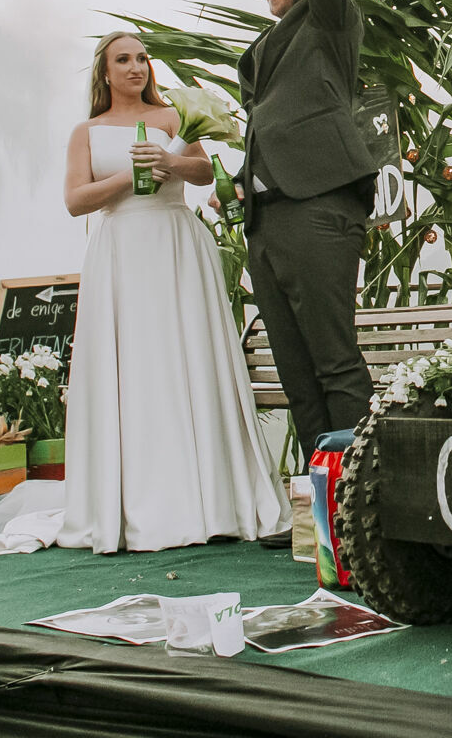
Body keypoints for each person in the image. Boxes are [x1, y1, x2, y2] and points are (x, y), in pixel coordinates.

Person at [58, 31, 283, 553]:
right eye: (123, 59)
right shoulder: (86, 132)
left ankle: (211, 498)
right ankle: (140, 501)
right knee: (134, 366)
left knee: (187, 360)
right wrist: (127, 179)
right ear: (105, 73)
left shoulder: (173, 118)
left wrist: (169, 163)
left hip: (177, 245)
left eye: (141, 58)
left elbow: (204, 170)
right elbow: (74, 200)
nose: (136, 67)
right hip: (121, 252)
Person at [216, 0, 378, 467]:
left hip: (319, 209)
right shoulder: (263, 50)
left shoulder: (331, 22)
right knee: (297, 373)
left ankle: (368, 494)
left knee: (335, 361)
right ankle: (322, 511)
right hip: (266, 222)